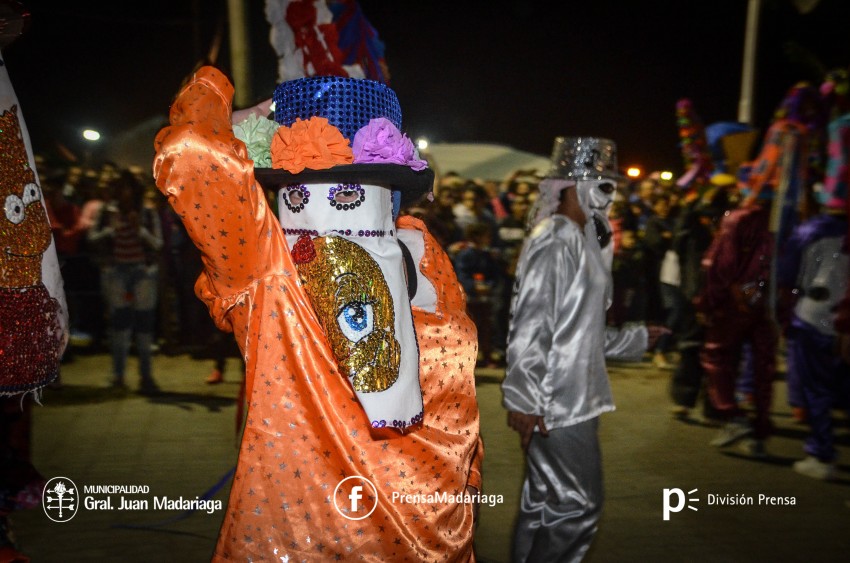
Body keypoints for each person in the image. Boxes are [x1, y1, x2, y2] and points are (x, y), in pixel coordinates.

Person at [154, 67, 483, 561]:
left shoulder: (425, 255)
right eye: (302, 194)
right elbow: (190, 152)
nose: (325, 215)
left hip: (437, 533)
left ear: (388, 194)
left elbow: (462, 414)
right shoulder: (269, 276)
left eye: (350, 192)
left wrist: (467, 493)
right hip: (311, 538)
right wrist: (236, 105)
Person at [502, 137, 664, 562]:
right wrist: (524, 398)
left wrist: (638, 338)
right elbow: (531, 324)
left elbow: (579, 332)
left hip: (570, 396)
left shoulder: (580, 239)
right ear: (575, 183)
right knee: (578, 505)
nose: (611, 197)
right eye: (604, 185)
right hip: (557, 402)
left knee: (545, 503)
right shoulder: (556, 238)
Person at [778, 113, 850, 480]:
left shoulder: (811, 230)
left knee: (817, 390)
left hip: (814, 318)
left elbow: (788, 273)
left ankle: (823, 456)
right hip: (844, 322)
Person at [88, 172, 163, 393]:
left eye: (129, 189)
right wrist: (112, 230)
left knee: (144, 326)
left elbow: (158, 243)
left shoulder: (147, 212)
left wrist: (139, 229)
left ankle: (146, 376)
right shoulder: (107, 211)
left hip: (143, 271)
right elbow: (92, 238)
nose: (125, 194)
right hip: (117, 271)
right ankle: (118, 376)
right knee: (120, 325)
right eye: (121, 189)